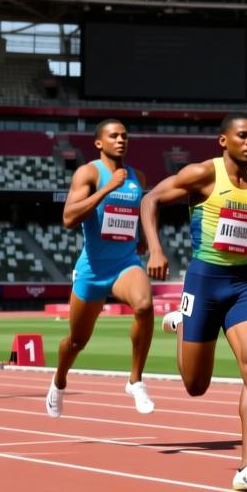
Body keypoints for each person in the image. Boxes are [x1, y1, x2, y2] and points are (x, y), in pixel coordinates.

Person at [141, 114, 247, 492]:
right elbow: (151, 199)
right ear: (223, 141)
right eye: (242, 136)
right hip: (203, 282)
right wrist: (155, 249)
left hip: (242, 284)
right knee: (196, 385)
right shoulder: (203, 175)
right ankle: (183, 322)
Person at [46, 119, 155, 418]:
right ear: (98, 143)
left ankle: (135, 380)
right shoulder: (89, 173)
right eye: (114, 136)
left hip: (125, 264)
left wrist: (144, 239)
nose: (121, 140)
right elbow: (68, 218)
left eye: (124, 136)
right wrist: (107, 188)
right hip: (92, 270)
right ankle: (59, 382)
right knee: (77, 341)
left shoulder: (137, 177)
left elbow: (137, 212)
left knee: (144, 305)